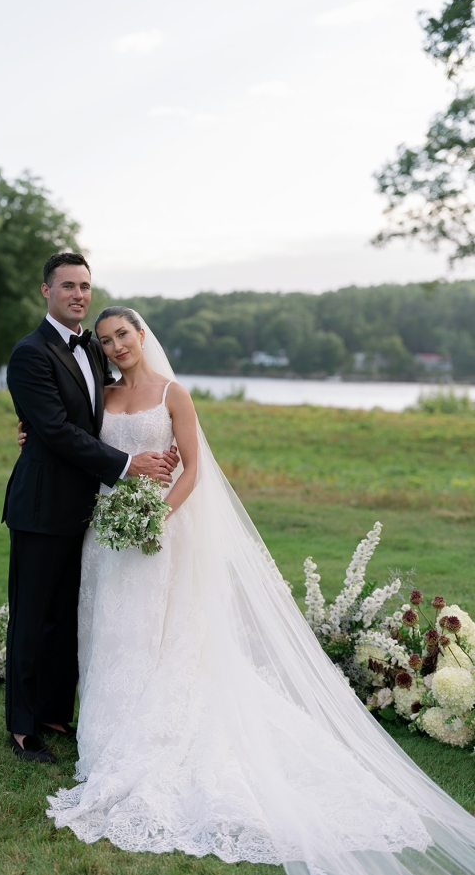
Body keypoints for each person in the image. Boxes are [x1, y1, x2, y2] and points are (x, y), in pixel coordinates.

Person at [44, 305, 475, 875]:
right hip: (107, 537)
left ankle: (151, 734)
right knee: (109, 630)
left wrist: (157, 519)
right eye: (106, 340)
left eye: (123, 334)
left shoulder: (173, 393)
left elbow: (193, 470)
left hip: (157, 534)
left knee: (160, 630)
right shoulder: (100, 393)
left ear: (142, 334)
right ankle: (106, 733)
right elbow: (71, 436)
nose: (117, 345)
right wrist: (35, 428)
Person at [1, 252, 176, 763]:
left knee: (66, 616)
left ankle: (55, 713)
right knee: (31, 617)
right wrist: (126, 465)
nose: (78, 294)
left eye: (85, 286)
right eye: (68, 286)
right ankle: (22, 728)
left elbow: (93, 415)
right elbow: (54, 429)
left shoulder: (96, 352)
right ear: (46, 291)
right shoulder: (30, 353)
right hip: (40, 504)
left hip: (86, 507)